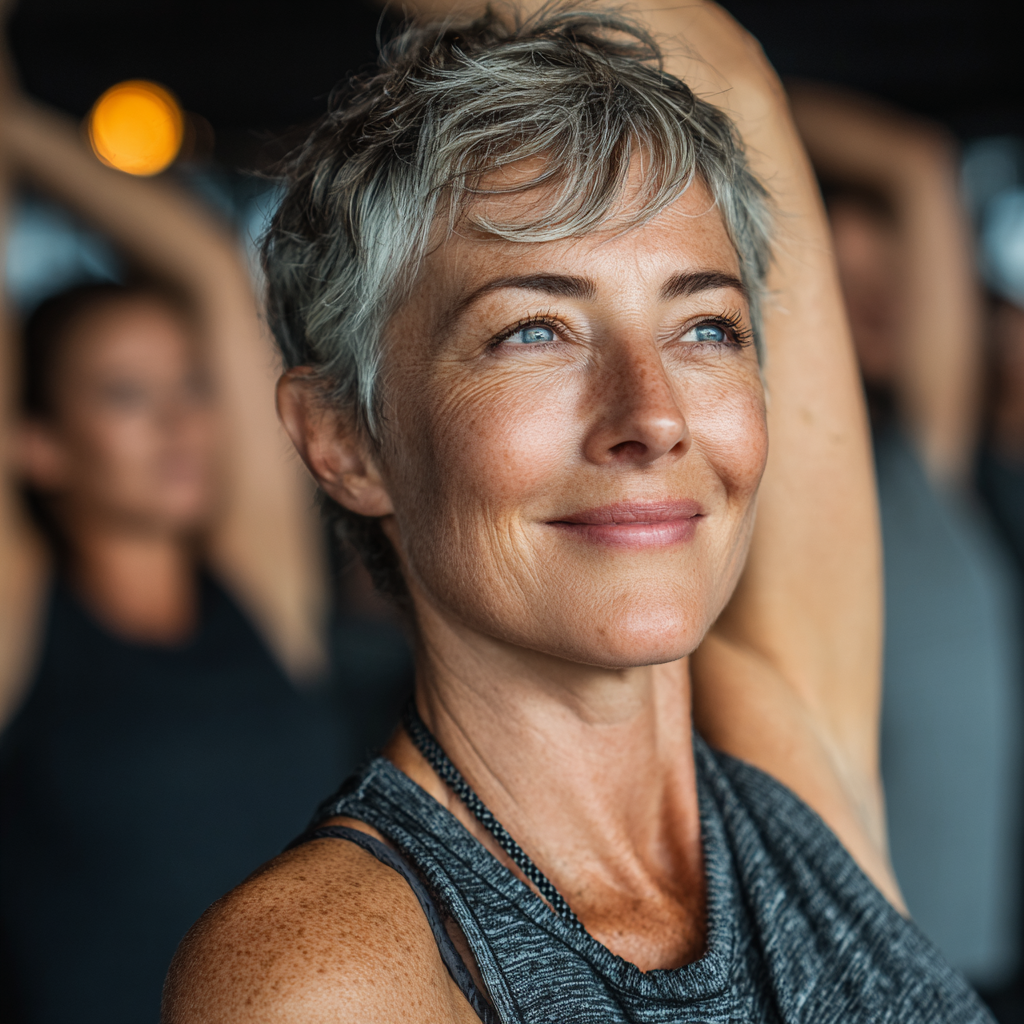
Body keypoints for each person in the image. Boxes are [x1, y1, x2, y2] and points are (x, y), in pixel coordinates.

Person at [163, 4, 991, 1022]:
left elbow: (721, 65)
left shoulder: (784, 742)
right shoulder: (327, 974)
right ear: (346, 440)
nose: (649, 415)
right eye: (534, 330)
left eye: (704, 326)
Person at [0, 68, 343, 1024]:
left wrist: (15, 125)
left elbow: (210, 271)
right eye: (124, 395)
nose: (181, 423)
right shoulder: (24, 621)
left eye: (188, 388)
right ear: (36, 444)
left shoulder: (257, 590)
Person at [789, 85, 1022, 989]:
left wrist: (734, 82)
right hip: (853, 979)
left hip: (973, 969)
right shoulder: (778, 489)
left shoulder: (921, 460)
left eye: (885, 277)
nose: (875, 304)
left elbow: (919, 169)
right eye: (841, 290)